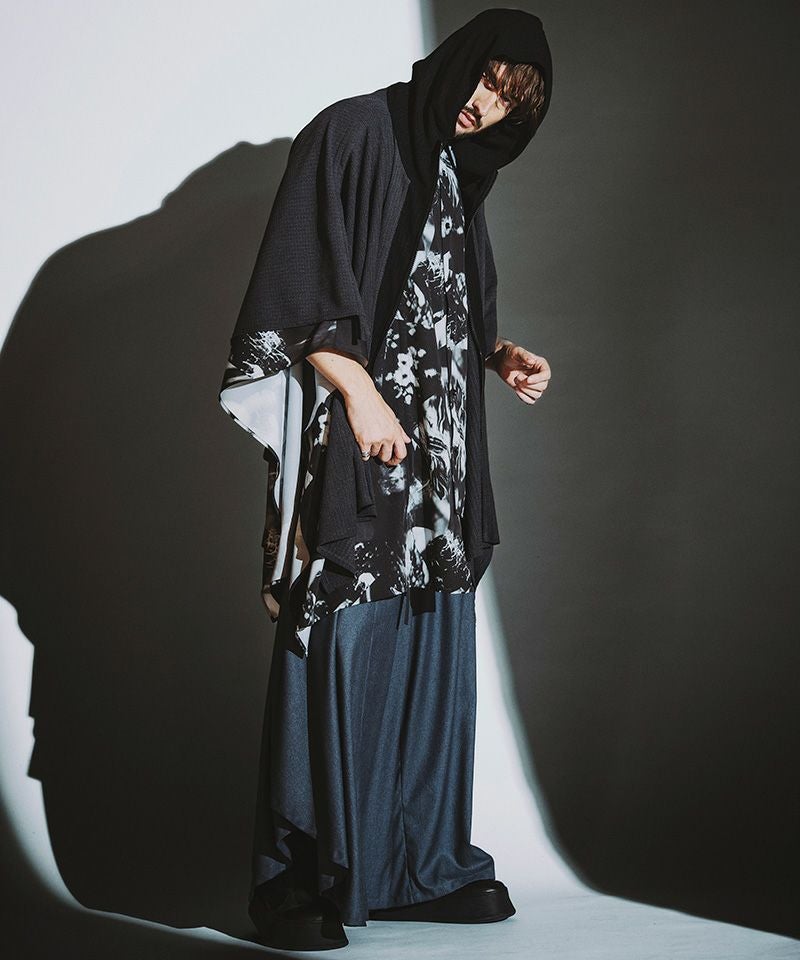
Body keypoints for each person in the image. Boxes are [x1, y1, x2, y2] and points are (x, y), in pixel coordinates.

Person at [219, 8, 553, 950]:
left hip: (439, 450)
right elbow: (296, 284)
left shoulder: (455, 171)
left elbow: (438, 293)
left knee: (427, 637)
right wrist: (360, 394)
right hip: (363, 435)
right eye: (485, 81)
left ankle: (414, 866)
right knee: (339, 619)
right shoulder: (355, 130)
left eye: (509, 102)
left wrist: (497, 354)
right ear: (458, 60)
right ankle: (297, 877)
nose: (485, 107)